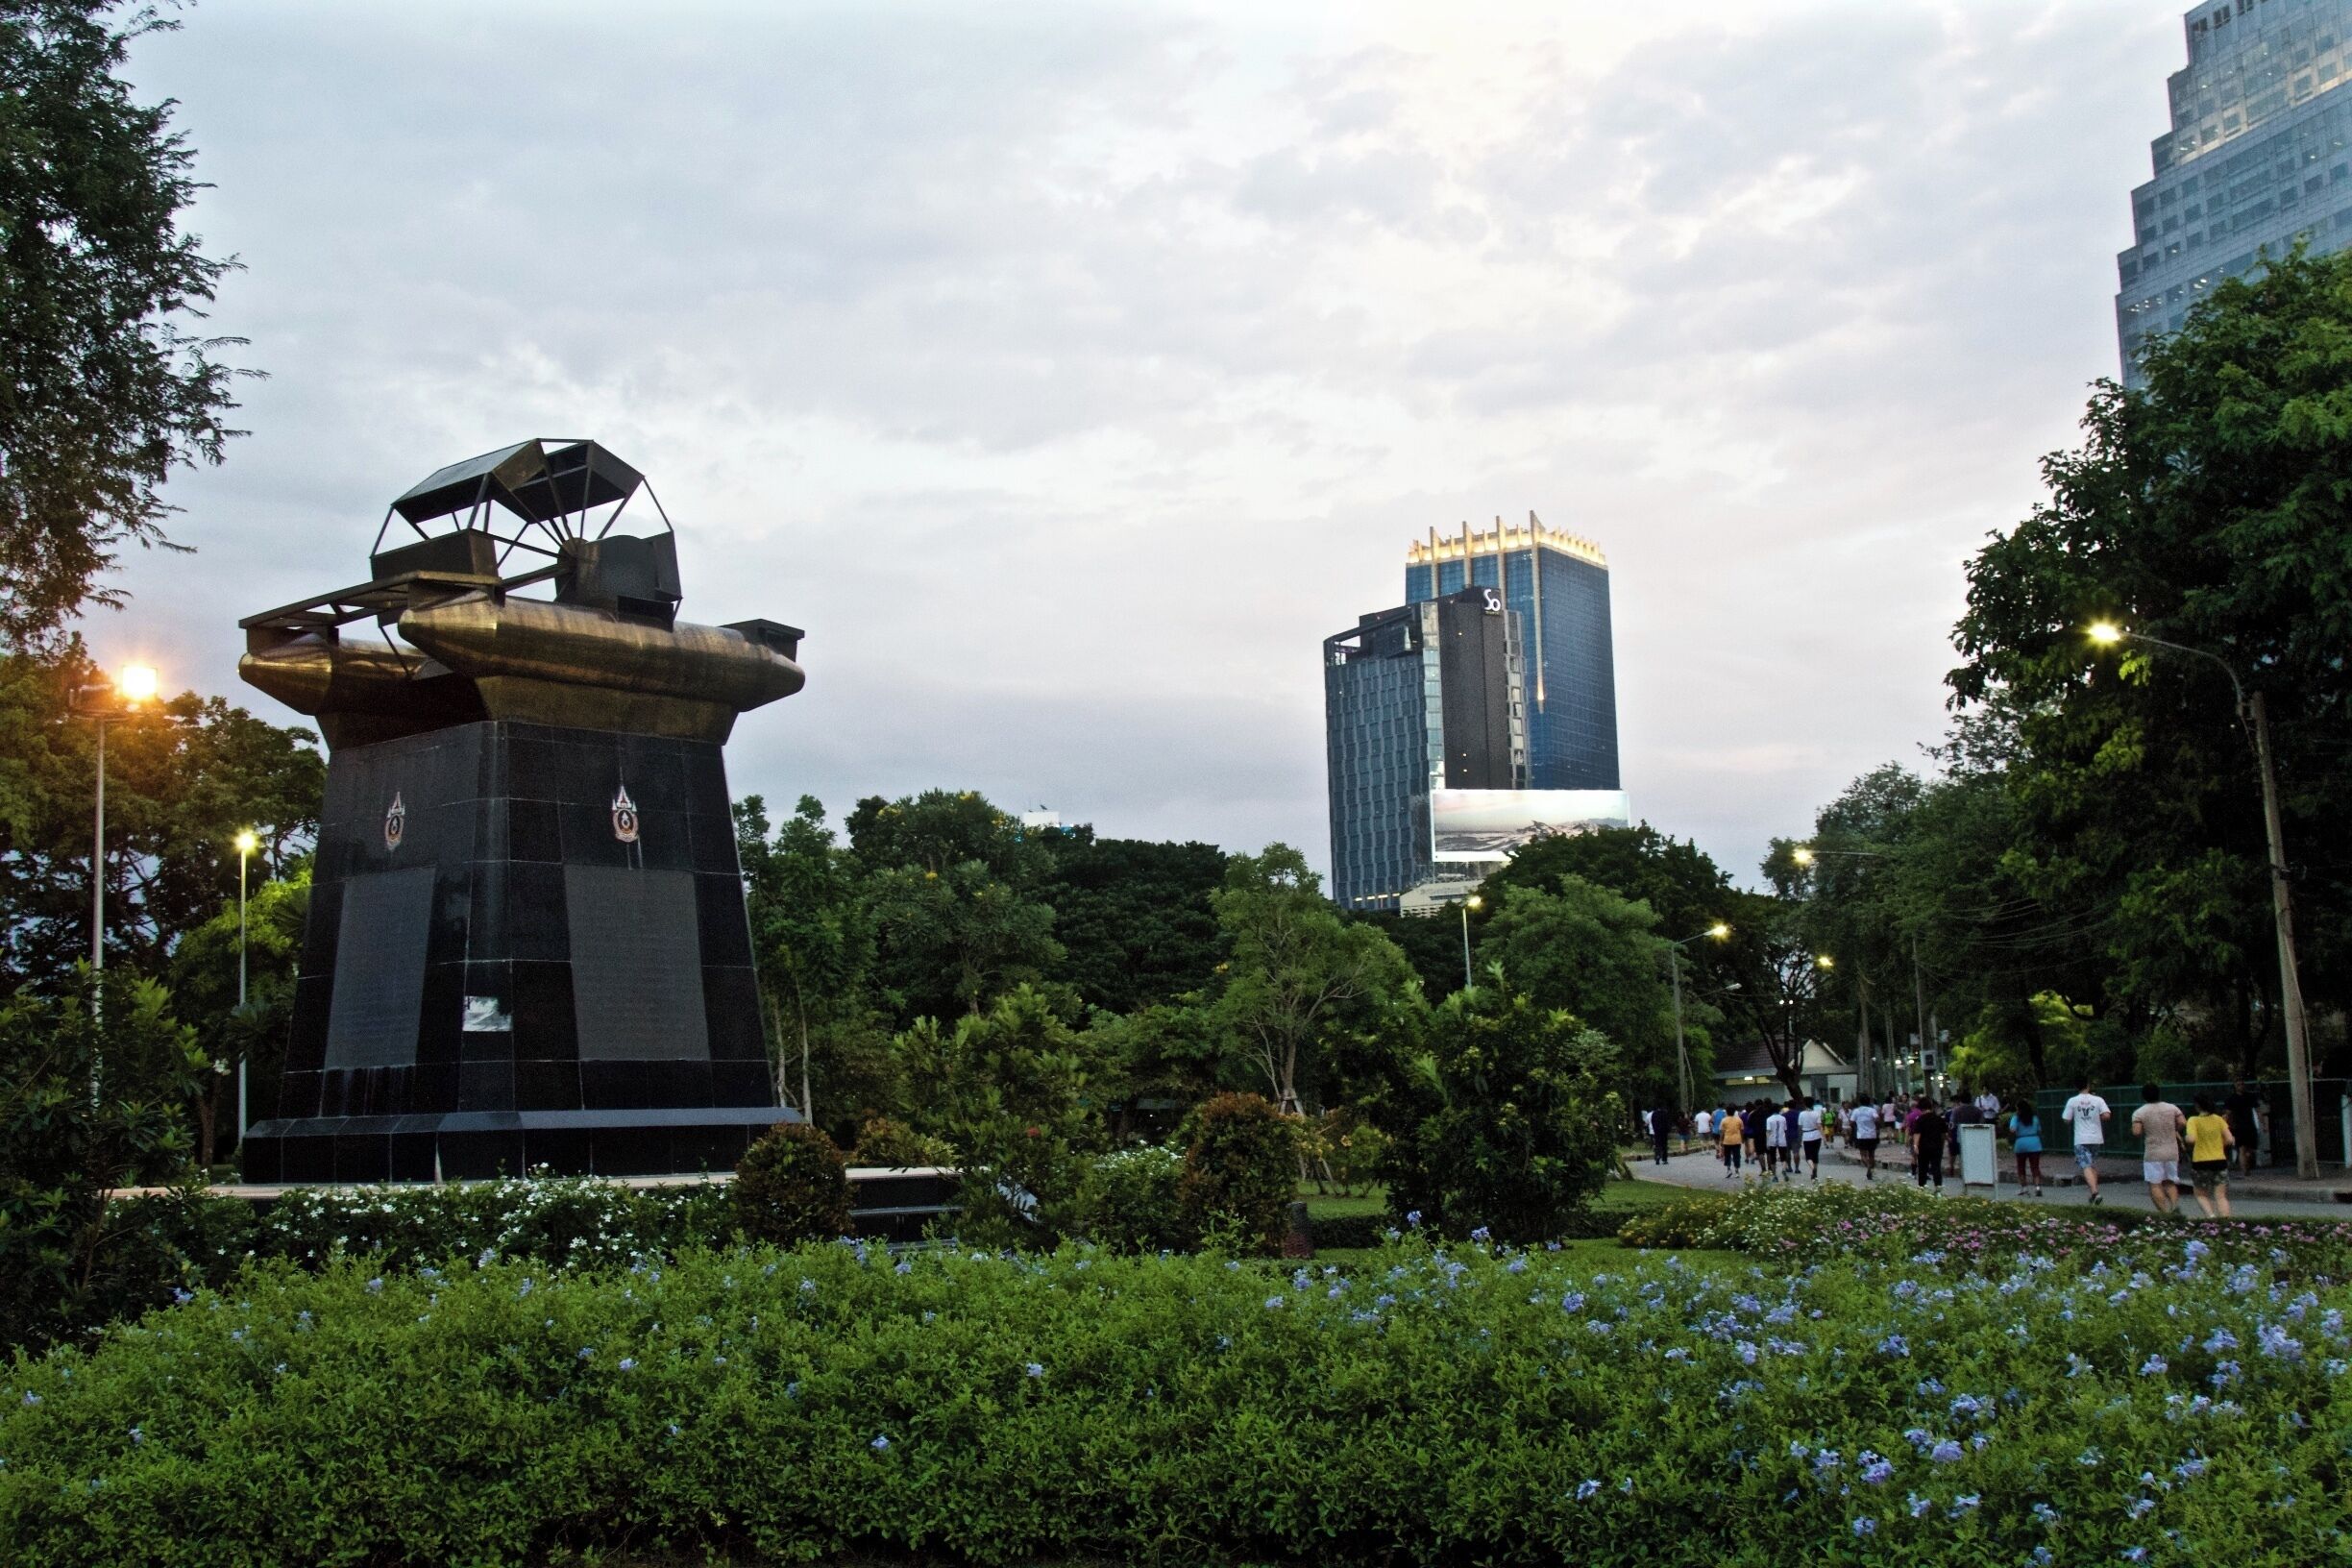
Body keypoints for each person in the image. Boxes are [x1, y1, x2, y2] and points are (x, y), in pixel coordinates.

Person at [2133, 1082, 2187, 1214]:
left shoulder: (2140, 1112)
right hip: (2171, 1151)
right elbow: (2183, 1122)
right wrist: (2174, 1130)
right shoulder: (2172, 1108)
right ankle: (2174, 1205)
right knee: (2170, 1181)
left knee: (2155, 1183)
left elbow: (2137, 1132)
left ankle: (2164, 1212)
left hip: (2153, 1152)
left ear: (2144, 1096)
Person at [2061, 1078, 2113, 1205]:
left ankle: (2095, 1192)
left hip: (2081, 1138)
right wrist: (2096, 1116)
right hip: (2096, 1137)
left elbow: (2066, 1119)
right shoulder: (2098, 1100)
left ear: (2076, 1087)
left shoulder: (2072, 1101)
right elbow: (2107, 1115)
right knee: (2092, 1165)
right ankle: (2093, 1194)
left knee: (2086, 1165)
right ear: (2088, 1085)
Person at [2185, 1093, 2236, 1219]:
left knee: (2201, 1194)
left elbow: (2191, 1139)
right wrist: (2219, 1144)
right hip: (2219, 1160)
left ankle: (2211, 1217)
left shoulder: (2193, 1120)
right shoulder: (2218, 1120)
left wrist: (2186, 1138)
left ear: (2197, 1106)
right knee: (2221, 1196)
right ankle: (2226, 1221)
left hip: (2201, 1162)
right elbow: (2230, 1140)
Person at [2224, 1076, 2263, 1176]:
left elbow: (2258, 1110)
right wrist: (2226, 1126)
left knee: (2250, 1149)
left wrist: (2262, 1122)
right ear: (2235, 1086)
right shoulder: (2231, 1099)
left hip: (2250, 1125)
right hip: (2238, 1126)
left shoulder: (2250, 1097)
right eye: (2238, 1084)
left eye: (2242, 1084)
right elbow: (2228, 1114)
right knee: (2241, 1148)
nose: (2240, 1086)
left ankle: (2247, 1165)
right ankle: (2245, 1170)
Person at [2007, 1103, 2045, 1197]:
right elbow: (2039, 1130)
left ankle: (2024, 1188)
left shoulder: (2016, 1118)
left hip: (2021, 1144)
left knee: (2021, 1167)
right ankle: (2037, 1188)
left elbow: (2012, 1129)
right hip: (2035, 1143)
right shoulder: (2034, 1118)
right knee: (2035, 1167)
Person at [1911, 1097, 1948, 1191]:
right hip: (1936, 1147)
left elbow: (1917, 1134)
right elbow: (1943, 1135)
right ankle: (1938, 1189)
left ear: (1921, 1108)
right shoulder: (1939, 1119)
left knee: (1923, 1168)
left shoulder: (1920, 1119)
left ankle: (1922, 1188)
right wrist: (1942, 1145)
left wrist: (1915, 1146)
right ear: (1931, 1107)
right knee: (1936, 1168)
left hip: (1923, 1147)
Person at [1851, 1097, 1881, 1180]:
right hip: (1872, 1135)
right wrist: (1876, 1127)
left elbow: (1852, 1121)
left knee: (1863, 1155)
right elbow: (1878, 1119)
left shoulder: (1856, 1111)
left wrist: (1857, 1125)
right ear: (1869, 1102)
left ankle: (1868, 1166)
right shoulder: (1872, 1110)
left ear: (1860, 1102)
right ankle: (1870, 1168)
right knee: (1871, 1154)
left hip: (1861, 1135)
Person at [1798, 1097, 1824, 1180]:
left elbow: (1800, 1127)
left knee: (1808, 1156)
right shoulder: (1816, 1114)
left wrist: (1800, 1138)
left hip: (1806, 1136)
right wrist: (1823, 1136)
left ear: (1805, 1104)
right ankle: (1815, 1171)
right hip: (1816, 1135)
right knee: (1815, 1155)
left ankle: (1813, 1169)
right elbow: (1819, 1126)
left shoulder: (1801, 1114)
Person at [1763, 1098, 1790, 1179]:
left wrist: (1767, 1142)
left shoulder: (1769, 1119)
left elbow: (1768, 1131)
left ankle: (1775, 1175)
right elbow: (1785, 1130)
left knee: (1773, 1158)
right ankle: (1784, 1169)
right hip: (1782, 1139)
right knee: (1783, 1157)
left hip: (1772, 1140)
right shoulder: (1783, 1118)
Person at [1720, 1107, 1745, 1177]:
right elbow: (1742, 1130)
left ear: (1727, 1112)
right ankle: (1737, 1171)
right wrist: (1742, 1139)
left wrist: (1721, 1141)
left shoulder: (1724, 1120)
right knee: (1736, 1156)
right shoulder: (1739, 1120)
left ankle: (1729, 1169)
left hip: (1727, 1141)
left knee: (1727, 1155)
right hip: (1737, 1140)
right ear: (1734, 1112)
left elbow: (1722, 1132)